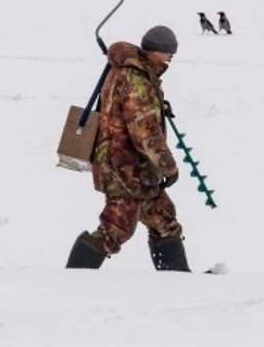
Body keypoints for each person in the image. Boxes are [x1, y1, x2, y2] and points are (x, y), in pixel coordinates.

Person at [64, 25, 190, 272]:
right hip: (125, 169)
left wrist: (157, 107)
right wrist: (168, 167)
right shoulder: (137, 79)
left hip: (134, 169)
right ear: (154, 50)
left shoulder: (126, 71)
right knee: (114, 229)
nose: (171, 57)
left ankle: (178, 280)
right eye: (168, 51)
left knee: (163, 219)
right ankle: (75, 278)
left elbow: (125, 113)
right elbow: (145, 134)